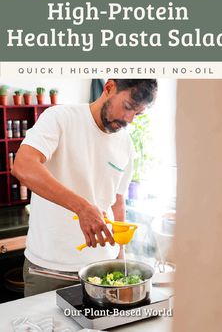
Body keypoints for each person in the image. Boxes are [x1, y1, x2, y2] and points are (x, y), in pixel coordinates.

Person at [12, 79, 158, 296]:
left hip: (104, 269)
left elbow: (116, 200)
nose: (129, 119)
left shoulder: (125, 143)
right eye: (127, 106)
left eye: (137, 114)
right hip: (50, 269)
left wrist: (120, 254)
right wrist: (82, 207)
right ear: (109, 88)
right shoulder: (60, 118)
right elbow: (23, 165)